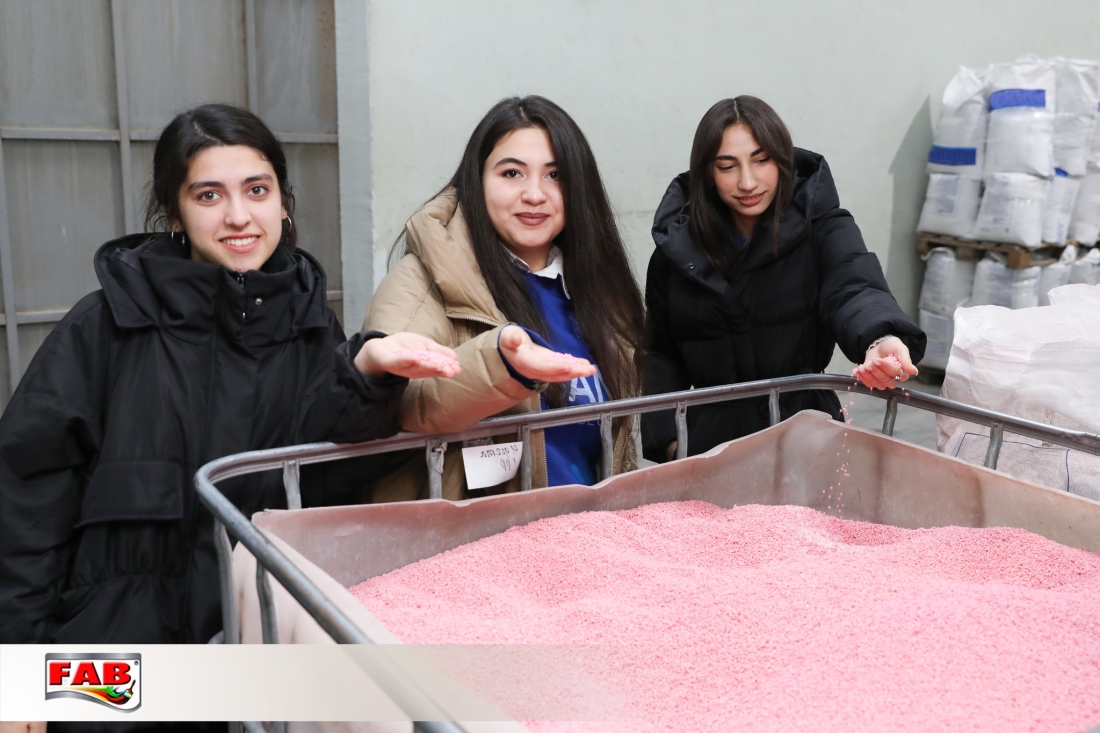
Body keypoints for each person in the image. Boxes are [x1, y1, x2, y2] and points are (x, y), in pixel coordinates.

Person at [0, 103, 458, 648]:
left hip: (259, 646)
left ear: (283, 203)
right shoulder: (104, 327)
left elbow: (324, 483)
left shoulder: (312, 326)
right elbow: (25, 503)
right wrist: (22, 660)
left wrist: (367, 376)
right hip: (116, 661)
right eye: (209, 195)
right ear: (174, 213)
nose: (239, 216)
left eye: (257, 190)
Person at [364, 95, 646, 501]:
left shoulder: (597, 288)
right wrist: (501, 364)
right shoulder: (420, 279)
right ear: (477, 181)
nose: (534, 194)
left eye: (555, 175)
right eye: (512, 173)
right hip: (477, 533)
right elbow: (404, 400)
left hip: (586, 529)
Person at [643, 96, 926, 462]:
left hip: (806, 433)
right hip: (712, 445)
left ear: (782, 159)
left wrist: (880, 337)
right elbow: (660, 352)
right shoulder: (677, 251)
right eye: (727, 166)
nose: (747, 182)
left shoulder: (824, 227)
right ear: (707, 174)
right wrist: (669, 439)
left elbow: (854, 286)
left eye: (761, 160)